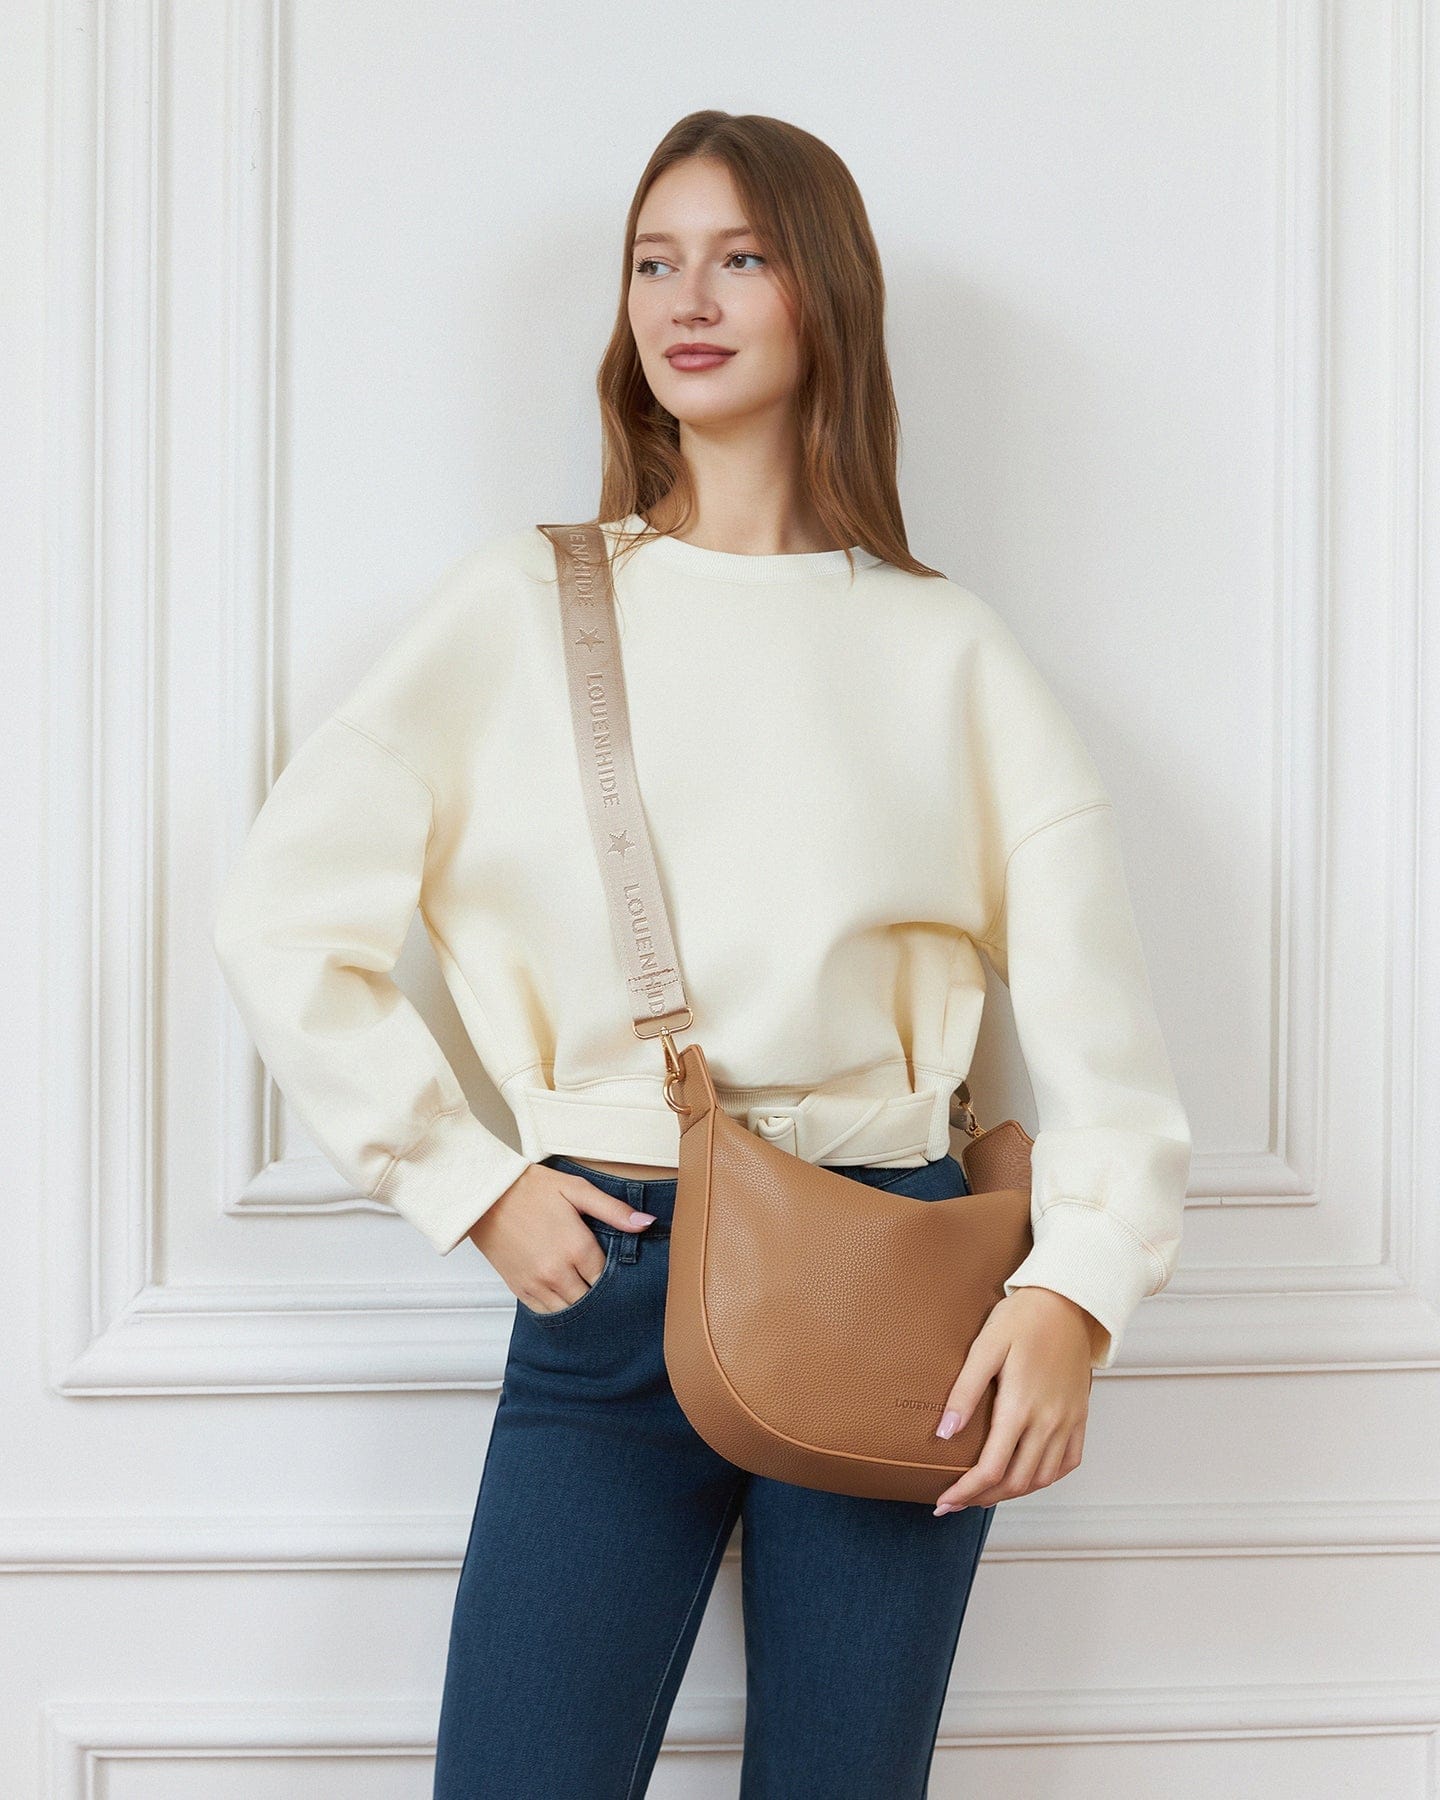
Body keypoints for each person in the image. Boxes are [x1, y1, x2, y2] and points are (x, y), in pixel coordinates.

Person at [212, 110, 1192, 1800]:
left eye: (741, 256)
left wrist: (1075, 1294)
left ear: (826, 292)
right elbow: (283, 913)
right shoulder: (521, 608)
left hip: (896, 1268)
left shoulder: (953, 651)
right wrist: (463, 1179)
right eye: (653, 261)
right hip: (610, 1258)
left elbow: (1104, 1041)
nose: (689, 296)